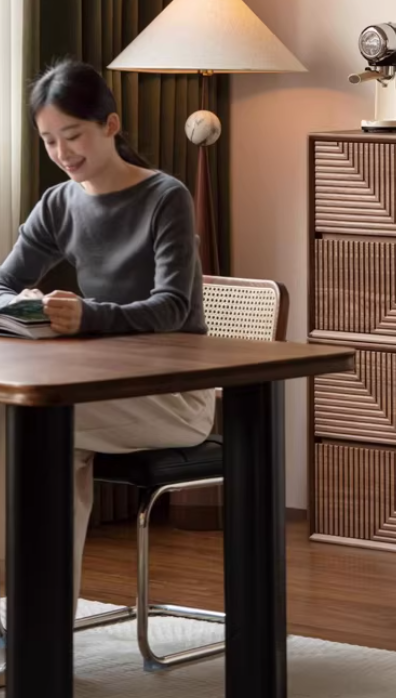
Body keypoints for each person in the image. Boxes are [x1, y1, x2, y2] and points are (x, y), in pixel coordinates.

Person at [0, 58, 215, 609]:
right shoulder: (58, 203)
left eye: (72, 136)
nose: (63, 154)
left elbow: (173, 307)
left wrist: (89, 315)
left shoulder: (165, 197)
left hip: (175, 395)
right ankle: (39, 624)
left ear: (110, 126)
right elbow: (4, 282)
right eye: (49, 141)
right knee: (41, 437)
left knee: (32, 427)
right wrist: (24, 306)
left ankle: (29, 623)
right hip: (99, 390)